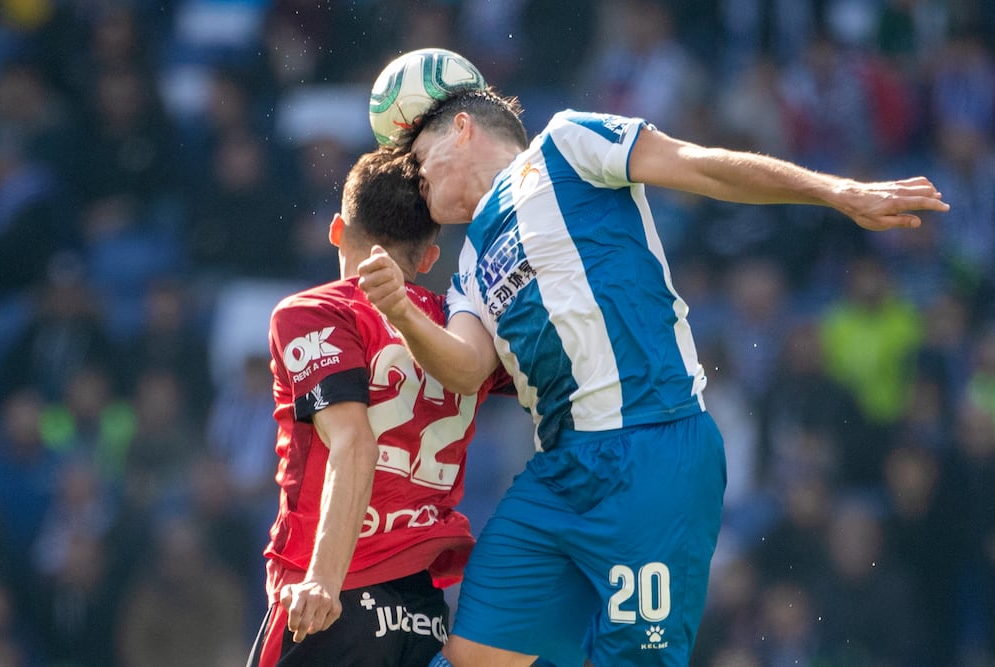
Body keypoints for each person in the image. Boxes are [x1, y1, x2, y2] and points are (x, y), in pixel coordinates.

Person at [356, 88, 950, 666]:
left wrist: (834, 190)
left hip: (653, 450)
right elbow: (466, 368)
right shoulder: (468, 266)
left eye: (420, 156)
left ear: (462, 129)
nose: (415, 175)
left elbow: (699, 166)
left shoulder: (565, 144)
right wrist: (402, 311)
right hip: (559, 473)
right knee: (472, 655)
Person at [247, 148, 508, 667]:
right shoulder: (462, 334)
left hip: (334, 601)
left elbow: (354, 442)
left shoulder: (316, 311)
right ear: (428, 259)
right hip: (423, 616)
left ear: (336, 230)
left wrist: (323, 580)